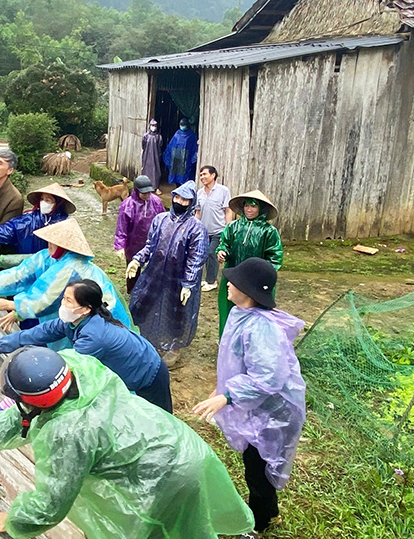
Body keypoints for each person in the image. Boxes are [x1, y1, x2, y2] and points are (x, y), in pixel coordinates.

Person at [0, 347, 255, 539]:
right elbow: (18, 419)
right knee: (189, 527)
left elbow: (52, 503)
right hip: (177, 444)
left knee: (161, 532)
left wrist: (15, 521)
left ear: (35, 402)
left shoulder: (68, 434)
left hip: (163, 479)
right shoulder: (77, 366)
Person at [193, 257, 305, 539]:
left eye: (236, 282)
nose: (228, 283)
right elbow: (237, 363)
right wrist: (220, 389)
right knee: (255, 464)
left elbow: (268, 377)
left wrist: (228, 396)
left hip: (273, 412)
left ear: (251, 291)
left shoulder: (261, 328)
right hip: (258, 406)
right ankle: (269, 512)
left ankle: (259, 524)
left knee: (259, 469)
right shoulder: (241, 314)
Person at [0, 279, 171, 412]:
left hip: (149, 373)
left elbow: (63, 372)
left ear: (85, 309)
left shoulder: (93, 338)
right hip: (130, 368)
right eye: (64, 298)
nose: (63, 304)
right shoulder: (73, 321)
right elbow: (36, 333)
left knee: (160, 419)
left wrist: (19, 401)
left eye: (68, 301)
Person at [0, 218, 132, 345]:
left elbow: (44, 299)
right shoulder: (48, 257)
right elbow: (18, 274)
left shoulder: (73, 267)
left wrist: (11, 305)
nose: (48, 245)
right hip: (71, 318)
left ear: (63, 247)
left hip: (99, 318)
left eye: (52, 243)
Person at [126, 180, 208, 367]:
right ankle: (143, 339)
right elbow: (150, 246)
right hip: (154, 272)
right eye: (177, 197)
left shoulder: (197, 228)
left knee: (177, 312)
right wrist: (138, 260)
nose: (179, 201)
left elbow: (196, 259)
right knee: (143, 303)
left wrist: (188, 283)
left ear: (191, 202)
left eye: (185, 199)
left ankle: (174, 348)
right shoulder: (160, 219)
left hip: (178, 279)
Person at [216, 189, 283, 337]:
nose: (249, 209)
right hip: (233, 276)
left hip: (255, 282)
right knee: (228, 309)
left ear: (261, 209)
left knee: (254, 312)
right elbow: (224, 244)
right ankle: (227, 340)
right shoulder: (233, 227)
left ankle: (251, 343)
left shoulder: (269, 232)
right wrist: (222, 252)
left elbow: (275, 257)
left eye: (253, 206)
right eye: (246, 206)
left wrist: (262, 276)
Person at [0, 182, 76, 258]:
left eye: (48, 200)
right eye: (42, 199)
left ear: (58, 203)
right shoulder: (29, 219)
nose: (43, 203)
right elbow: (8, 230)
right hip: (24, 266)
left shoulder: (65, 224)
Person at [113, 175, 165, 293]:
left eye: (148, 192)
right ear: (136, 191)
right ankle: (132, 291)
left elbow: (163, 219)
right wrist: (120, 245)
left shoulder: (156, 202)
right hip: (133, 242)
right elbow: (122, 227)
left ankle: (149, 291)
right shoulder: (128, 205)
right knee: (133, 268)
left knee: (153, 268)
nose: (146, 195)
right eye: (143, 193)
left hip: (152, 241)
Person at [194, 165, 232, 292]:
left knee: (212, 253)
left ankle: (212, 281)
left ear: (213, 175)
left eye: (204, 174)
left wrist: (228, 228)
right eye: (200, 175)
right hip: (203, 231)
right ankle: (206, 279)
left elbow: (228, 210)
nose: (202, 177)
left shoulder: (223, 191)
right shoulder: (199, 193)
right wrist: (195, 226)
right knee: (203, 255)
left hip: (218, 230)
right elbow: (197, 212)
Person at [162, 118, 198, 186]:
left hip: (186, 158)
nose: (182, 126)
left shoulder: (191, 136)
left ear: (187, 125)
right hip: (177, 157)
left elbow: (194, 148)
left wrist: (192, 158)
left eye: (183, 125)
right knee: (176, 174)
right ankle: (177, 186)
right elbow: (171, 146)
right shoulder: (177, 134)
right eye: (181, 125)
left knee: (185, 176)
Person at [141, 119, 164, 192]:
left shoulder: (158, 136)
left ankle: (155, 187)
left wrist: (158, 155)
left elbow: (160, 146)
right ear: (149, 126)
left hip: (156, 157)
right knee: (146, 170)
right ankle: (145, 186)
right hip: (147, 156)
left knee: (156, 171)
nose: (153, 127)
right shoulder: (145, 136)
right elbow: (143, 146)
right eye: (152, 125)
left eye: (155, 126)